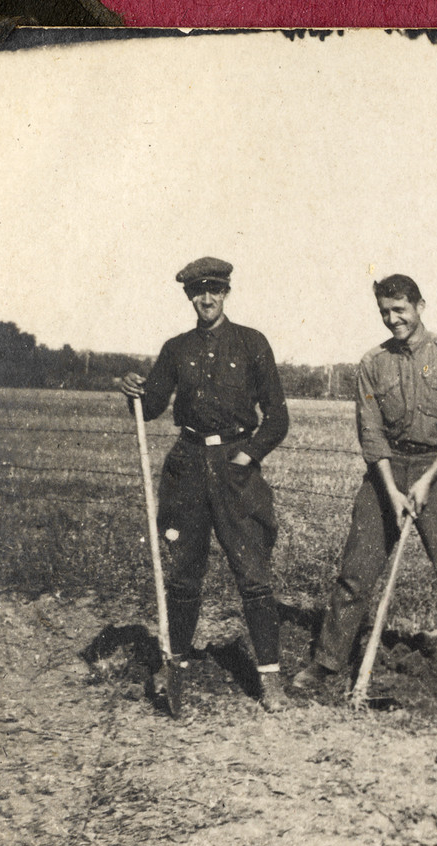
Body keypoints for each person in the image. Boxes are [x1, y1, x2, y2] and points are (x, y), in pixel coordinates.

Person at [292, 275, 437, 696]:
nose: (393, 320)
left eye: (400, 310)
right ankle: (328, 661)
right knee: (356, 572)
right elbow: (370, 432)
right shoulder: (372, 363)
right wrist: (389, 490)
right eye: (385, 312)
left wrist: (425, 481)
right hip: (386, 472)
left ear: (420, 305)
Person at [118, 256, 290, 712]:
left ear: (227, 291)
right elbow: (151, 406)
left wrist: (246, 456)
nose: (206, 298)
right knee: (183, 574)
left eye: (214, 289)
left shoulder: (252, 343)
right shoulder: (176, 348)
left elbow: (277, 419)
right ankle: (174, 662)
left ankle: (270, 678)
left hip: (235, 468)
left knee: (252, 575)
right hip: (188, 467)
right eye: (198, 292)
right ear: (189, 297)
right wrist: (134, 391)